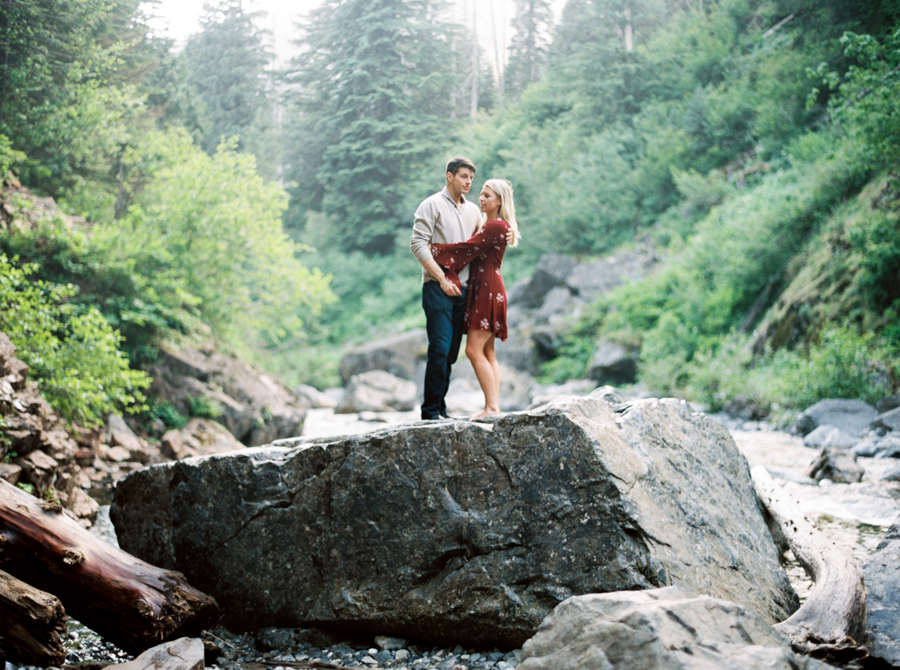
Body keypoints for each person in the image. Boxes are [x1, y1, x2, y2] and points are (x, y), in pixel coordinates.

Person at [428, 178, 521, 418]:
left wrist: (434, 249)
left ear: (500, 200)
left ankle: (491, 407)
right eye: (481, 194)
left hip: (487, 290)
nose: (481, 198)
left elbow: (466, 249)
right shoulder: (491, 224)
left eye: (487, 196)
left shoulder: (497, 226)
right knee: (488, 351)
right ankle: (493, 406)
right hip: (486, 288)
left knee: (473, 350)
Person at [410, 157, 481, 420]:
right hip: (437, 287)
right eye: (463, 176)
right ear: (449, 176)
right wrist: (441, 278)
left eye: (471, 178)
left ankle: (440, 409)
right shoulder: (431, 205)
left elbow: (482, 241)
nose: (468, 182)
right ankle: (429, 413)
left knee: (451, 353)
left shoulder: (473, 211)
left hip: (463, 291)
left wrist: (505, 233)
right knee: (439, 348)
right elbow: (418, 244)